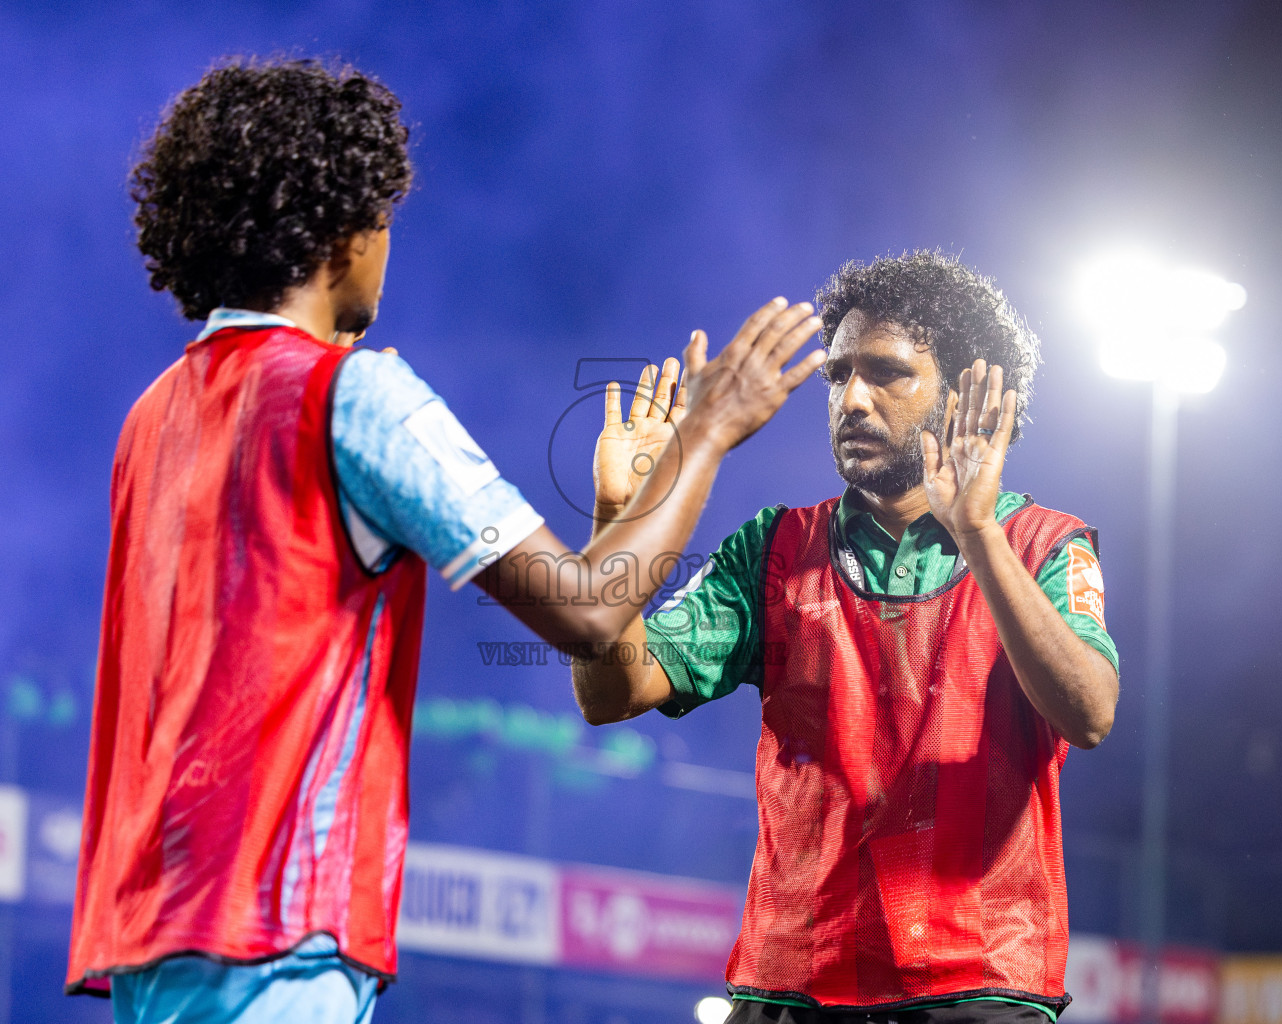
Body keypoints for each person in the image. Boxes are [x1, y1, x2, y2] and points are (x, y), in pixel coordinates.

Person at [66, 57, 826, 1024]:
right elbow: (590, 613)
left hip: (149, 927)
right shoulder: (356, 397)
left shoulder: (152, 416)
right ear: (344, 233)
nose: (389, 245)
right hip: (280, 932)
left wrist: (621, 499)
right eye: (385, 219)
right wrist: (708, 434)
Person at [573, 251, 1121, 1024]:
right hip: (789, 986)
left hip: (977, 986)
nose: (852, 399)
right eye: (838, 376)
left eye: (886, 373)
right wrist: (620, 517)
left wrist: (974, 530)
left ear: (965, 393)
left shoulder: (1042, 544)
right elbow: (607, 693)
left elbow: (1089, 713)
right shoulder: (775, 547)